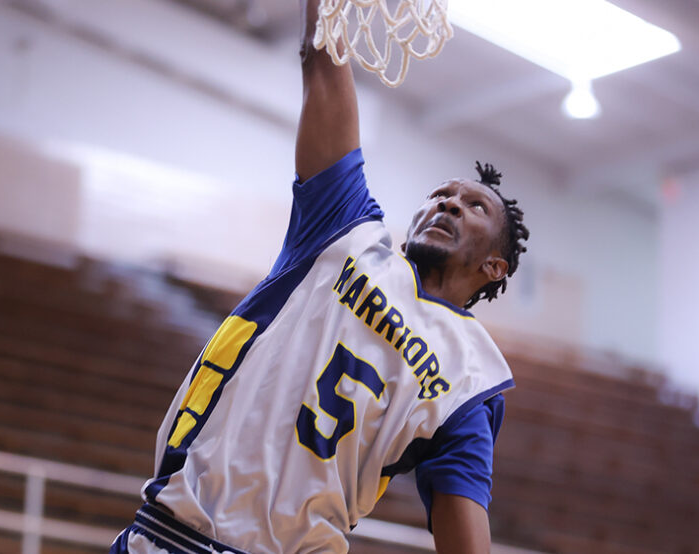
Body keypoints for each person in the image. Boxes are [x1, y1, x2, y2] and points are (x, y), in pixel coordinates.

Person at [111, 1, 529, 552]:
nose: (449, 204)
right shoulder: (346, 228)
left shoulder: (471, 377)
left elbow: (463, 519)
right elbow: (322, 65)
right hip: (174, 532)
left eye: (474, 206)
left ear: (494, 267)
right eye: (440, 195)